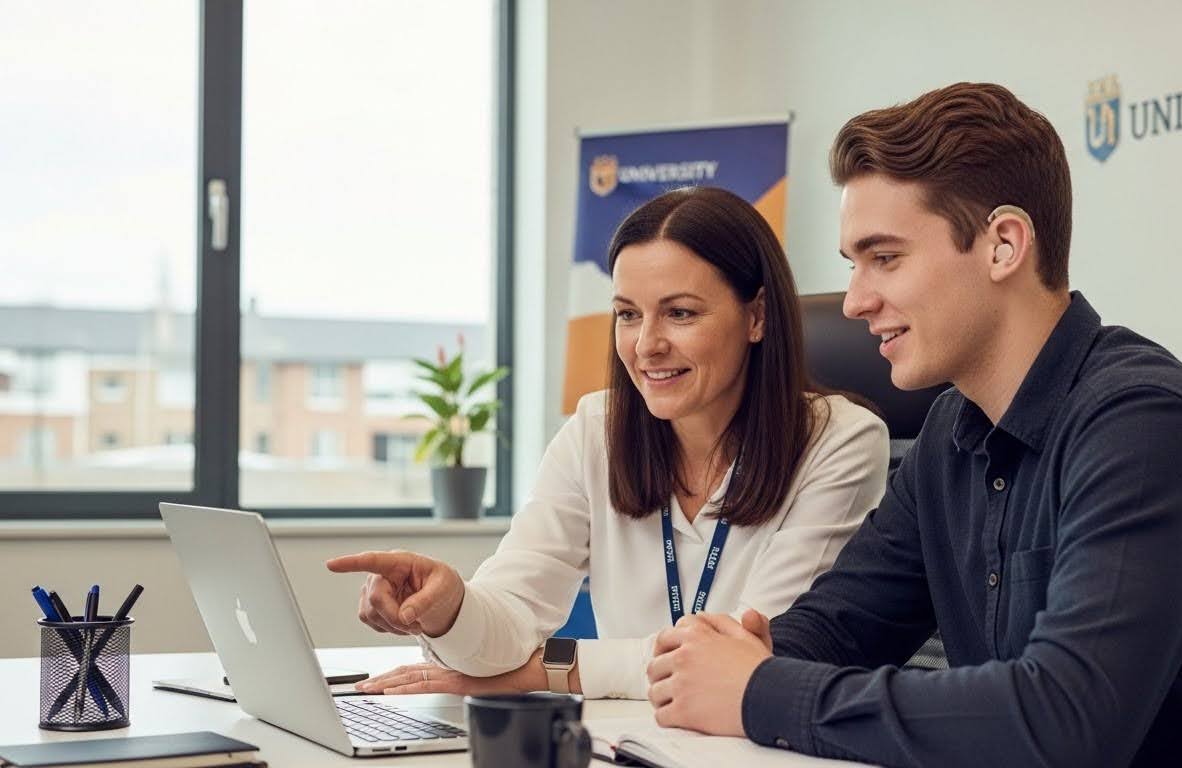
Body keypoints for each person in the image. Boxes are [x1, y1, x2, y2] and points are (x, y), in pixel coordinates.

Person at [646, 83, 1182, 766]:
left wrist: (761, 690)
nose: (854, 301)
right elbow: (844, 625)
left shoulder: (1144, 425)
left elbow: (1064, 722)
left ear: (1003, 245)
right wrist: (732, 658)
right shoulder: (951, 429)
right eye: (852, 266)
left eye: (883, 258)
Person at [327, 186, 888, 700]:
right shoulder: (596, 428)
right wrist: (452, 609)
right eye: (627, 314)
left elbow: (751, 652)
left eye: (680, 313)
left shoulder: (841, 442)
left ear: (757, 316)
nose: (646, 345)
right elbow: (512, 614)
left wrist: (541, 672)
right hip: (627, 741)